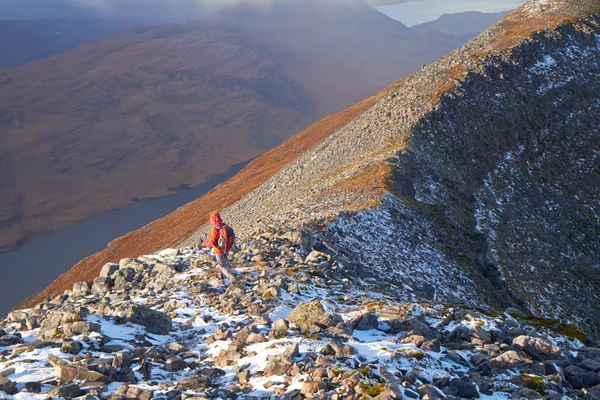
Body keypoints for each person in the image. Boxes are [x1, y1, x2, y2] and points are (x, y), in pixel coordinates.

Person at [202, 212, 238, 283]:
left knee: (222, 266)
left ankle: (233, 279)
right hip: (227, 248)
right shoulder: (226, 226)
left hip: (219, 250)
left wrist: (204, 243)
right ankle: (224, 278)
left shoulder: (214, 230)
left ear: (212, 220)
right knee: (225, 263)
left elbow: (213, 242)